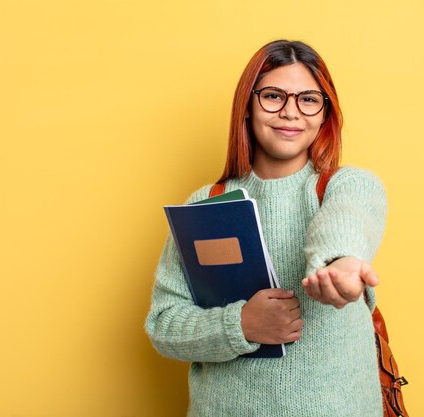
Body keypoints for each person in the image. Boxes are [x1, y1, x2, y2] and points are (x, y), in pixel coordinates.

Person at [145, 39, 388, 417]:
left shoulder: (347, 185)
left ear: (325, 113)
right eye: (274, 96)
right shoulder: (206, 203)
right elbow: (164, 326)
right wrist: (241, 324)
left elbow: (346, 221)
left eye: (309, 99)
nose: (291, 112)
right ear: (247, 106)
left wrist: (339, 262)